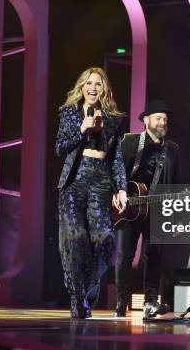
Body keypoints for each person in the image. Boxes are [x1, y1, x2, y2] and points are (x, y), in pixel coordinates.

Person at [56, 67, 128, 318]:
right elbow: (60, 147)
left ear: (104, 88)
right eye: (88, 83)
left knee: (104, 240)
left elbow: (117, 157)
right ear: (81, 87)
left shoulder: (113, 119)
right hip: (74, 180)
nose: (92, 88)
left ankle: (90, 286)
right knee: (75, 240)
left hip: (100, 179)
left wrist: (121, 188)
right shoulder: (69, 113)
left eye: (98, 84)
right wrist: (81, 130)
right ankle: (77, 298)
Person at [113, 100, 181, 318]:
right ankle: (121, 302)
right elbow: (115, 173)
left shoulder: (172, 150)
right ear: (146, 120)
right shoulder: (130, 142)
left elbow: (177, 186)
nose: (163, 123)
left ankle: (150, 302)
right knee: (125, 256)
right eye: (159, 118)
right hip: (129, 209)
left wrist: (177, 218)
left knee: (155, 255)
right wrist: (118, 192)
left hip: (157, 211)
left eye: (165, 120)